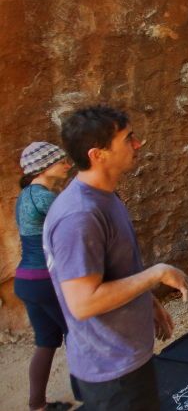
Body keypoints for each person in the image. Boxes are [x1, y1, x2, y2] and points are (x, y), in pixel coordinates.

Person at [43, 106, 188, 410]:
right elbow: (83, 303)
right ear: (98, 155)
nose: (138, 144)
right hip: (112, 371)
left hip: (125, 358)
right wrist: (156, 274)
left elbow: (117, 269)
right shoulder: (79, 216)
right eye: (128, 139)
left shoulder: (106, 196)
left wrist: (148, 301)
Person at [15, 142, 73, 411]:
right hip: (45, 280)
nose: (68, 165)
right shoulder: (43, 198)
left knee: (46, 341)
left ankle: (37, 405)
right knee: (78, 334)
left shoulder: (25, 196)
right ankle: (92, 395)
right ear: (43, 167)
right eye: (61, 161)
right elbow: (76, 225)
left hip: (26, 280)